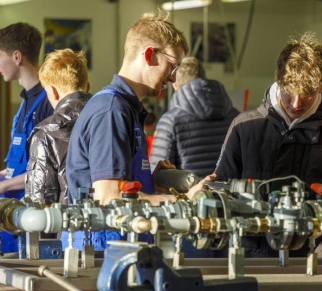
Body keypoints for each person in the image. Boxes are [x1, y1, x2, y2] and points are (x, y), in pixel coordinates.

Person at [215, 32, 322, 257]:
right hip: (249, 260)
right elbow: (222, 192)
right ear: (277, 78)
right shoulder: (244, 127)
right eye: (290, 92)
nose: (296, 104)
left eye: (307, 94)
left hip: (313, 264)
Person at [66, 11, 191, 250]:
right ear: (149, 55)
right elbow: (108, 198)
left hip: (122, 246)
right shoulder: (112, 111)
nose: (173, 78)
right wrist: (182, 202)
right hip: (101, 253)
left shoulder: (127, 109)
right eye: (172, 66)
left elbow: (122, 188)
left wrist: (151, 186)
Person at [0, 22, 54, 253]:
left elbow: (48, 169)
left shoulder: (48, 104)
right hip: (13, 210)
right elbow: (16, 165)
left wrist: (3, 186)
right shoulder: (24, 103)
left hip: (34, 214)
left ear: (17, 56)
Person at [150, 57, 239, 178]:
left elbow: (158, 175)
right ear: (204, 78)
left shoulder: (170, 121)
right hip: (230, 195)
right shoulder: (236, 117)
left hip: (190, 195)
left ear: (175, 84)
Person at [25, 49, 91, 205]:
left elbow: (39, 205)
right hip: (111, 224)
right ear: (87, 86)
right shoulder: (107, 119)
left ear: (53, 92)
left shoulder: (46, 133)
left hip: (68, 227)